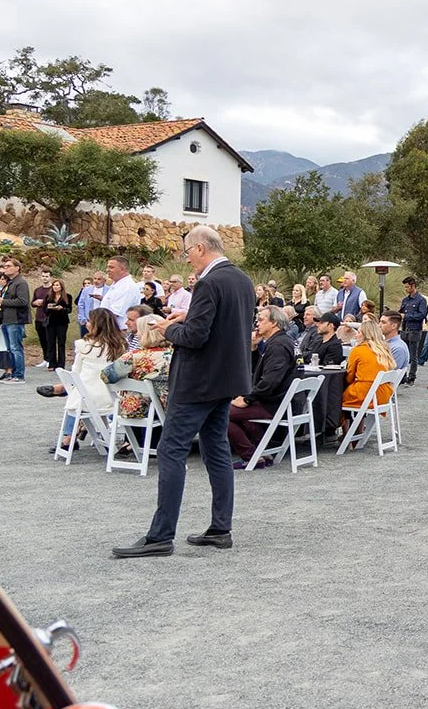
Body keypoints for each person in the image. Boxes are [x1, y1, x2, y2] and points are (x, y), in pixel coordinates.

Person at [113, 226, 255, 558]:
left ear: (201, 248)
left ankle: (160, 535)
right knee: (216, 450)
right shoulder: (241, 280)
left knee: (171, 450)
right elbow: (225, 324)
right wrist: (188, 316)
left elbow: (195, 337)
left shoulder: (208, 282)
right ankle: (221, 527)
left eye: (187, 252)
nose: (186, 258)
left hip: (199, 381)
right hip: (227, 379)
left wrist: (168, 327)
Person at [226, 306, 298, 468]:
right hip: (279, 401)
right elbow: (257, 373)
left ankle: (251, 456)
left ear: (274, 323)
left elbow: (270, 382)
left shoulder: (278, 346)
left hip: (273, 403)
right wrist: (253, 348)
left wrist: (247, 399)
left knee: (218, 415)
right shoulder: (279, 342)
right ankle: (261, 452)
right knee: (234, 412)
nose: (256, 324)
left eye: (261, 320)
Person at [53, 307, 129, 453]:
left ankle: (69, 437)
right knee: (80, 394)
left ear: (95, 325)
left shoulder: (83, 345)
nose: (86, 323)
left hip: (86, 398)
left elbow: (76, 371)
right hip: (113, 396)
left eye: (89, 321)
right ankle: (91, 434)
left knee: (77, 394)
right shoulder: (121, 345)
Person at [102, 315, 173, 423]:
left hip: (140, 410)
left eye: (139, 332)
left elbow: (106, 376)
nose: (137, 335)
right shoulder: (177, 355)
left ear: (146, 334)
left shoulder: (134, 357)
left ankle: (130, 440)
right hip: (173, 408)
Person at [343, 314, 397, 418]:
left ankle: (345, 431)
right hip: (383, 395)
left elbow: (349, 376)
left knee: (335, 398)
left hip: (367, 395)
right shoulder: (384, 350)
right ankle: (357, 430)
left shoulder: (358, 351)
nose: (356, 335)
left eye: (359, 332)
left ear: (365, 335)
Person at [0, 258, 31, 384]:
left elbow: (23, 301)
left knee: (16, 348)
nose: (6, 268)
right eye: (5, 266)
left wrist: (2, 301)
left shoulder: (20, 283)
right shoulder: (10, 283)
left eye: (9, 266)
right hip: (7, 319)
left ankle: (19, 375)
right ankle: (13, 374)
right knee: (10, 348)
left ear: (17, 268)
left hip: (16, 320)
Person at [398, 276, 428, 385]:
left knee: (413, 355)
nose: (406, 289)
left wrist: (405, 316)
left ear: (413, 286)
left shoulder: (421, 300)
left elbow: (421, 315)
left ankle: (412, 376)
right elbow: (400, 311)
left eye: (407, 287)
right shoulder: (405, 300)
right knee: (403, 353)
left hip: (415, 330)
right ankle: (402, 375)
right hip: (405, 329)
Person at [99, 256, 141, 329]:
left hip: (119, 331)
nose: (107, 270)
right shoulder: (117, 284)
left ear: (122, 269)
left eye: (111, 267)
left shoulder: (127, 286)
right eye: (107, 267)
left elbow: (114, 313)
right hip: (110, 328)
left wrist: (96, 323)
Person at [44, 279, 73, 368]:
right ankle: (52, 363)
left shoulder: (68, 296)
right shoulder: (48, 297)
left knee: (61, 343)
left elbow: (69, 310)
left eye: (57, 285)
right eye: (54, 285)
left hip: (62, 322)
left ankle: (61, 364)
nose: (55, 287)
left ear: (61, 287)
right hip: (51, 322)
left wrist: (62, 308)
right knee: (51, 343)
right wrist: (49, 308)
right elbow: (44, 310)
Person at [32, 271, 54, 368]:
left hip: (49, 318)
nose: (45, 278)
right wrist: (35, 303)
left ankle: (51, 359)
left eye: (47, 276)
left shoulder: (53, 289)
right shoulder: (37, 290)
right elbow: (32, 303)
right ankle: (45, 358)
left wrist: (44, 303)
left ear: (50, 277)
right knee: (42, 340)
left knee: (50, 339)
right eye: (43, 276)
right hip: (39, 318)